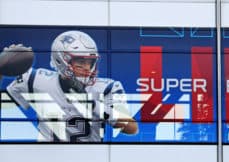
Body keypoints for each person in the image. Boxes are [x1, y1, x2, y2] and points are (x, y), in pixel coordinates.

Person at [1, 30, 138, 142]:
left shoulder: (107, 87)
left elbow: (131, 128)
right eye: (80, 61)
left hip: (91, 161)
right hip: (47, 160)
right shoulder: (35, 80)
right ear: (61, 60)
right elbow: (3, 104)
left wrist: (91, 104)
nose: (86, 68)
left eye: (90, 62)